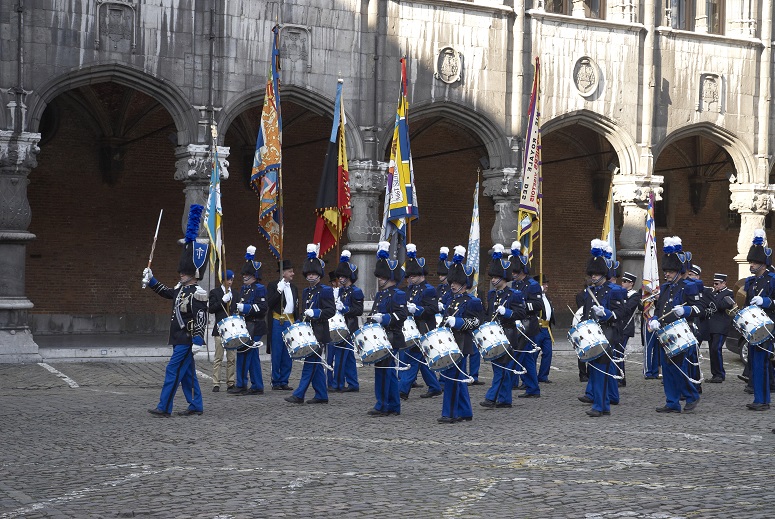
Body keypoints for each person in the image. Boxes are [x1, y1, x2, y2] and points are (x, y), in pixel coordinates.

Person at [143, 204, 208, 417]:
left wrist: (198, 341)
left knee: (173, 371)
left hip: (186, 339)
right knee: (188, 375)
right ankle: (196, 405)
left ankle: (164, 407)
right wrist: (151, 280)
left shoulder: (198, 292)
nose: (181, 274)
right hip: (178, 338)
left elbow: (200, 318)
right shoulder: (182, 289)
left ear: (193, 274)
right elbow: (167, 293)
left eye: (184, 272)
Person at [646, 236, 704, 413]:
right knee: (668, 369)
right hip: (665, 333)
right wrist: (654, 319)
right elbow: (659, 309)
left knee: (679, 368)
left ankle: (691, 396)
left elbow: (701, 308)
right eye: (666, 271)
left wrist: (685, 311)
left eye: (670, 271)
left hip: (682, 332)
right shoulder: (665, 288)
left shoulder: (690, 286)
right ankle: (672, 402)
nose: (667, 274)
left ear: (679, 271)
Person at [575, 239, 623, 417]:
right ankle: (601, 405)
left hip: (607, 333)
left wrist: (607, 313)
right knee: (594, 371)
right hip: (592, 334)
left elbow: (621, 313)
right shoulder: (590, 291)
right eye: (592, 274)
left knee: (602, 371)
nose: (593, 276)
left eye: (596, 274)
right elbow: (586, 314)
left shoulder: (614, 290)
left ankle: (601, 406)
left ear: (604, 273)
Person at [285, 245, 336, 405]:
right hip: (308, 332)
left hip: (319, 331)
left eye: (314, 273)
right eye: (309, 273)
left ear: (319, 274)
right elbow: (303, 311)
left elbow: (331, 311)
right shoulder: (307, 291)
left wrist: (317, 313)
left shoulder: (326, 290)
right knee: (315, 363)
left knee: (310, 363)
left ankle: (299, 394)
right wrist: (299, 321)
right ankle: (321, 395)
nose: (311, 276)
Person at [439, 246, 483, 423]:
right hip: (450, 342)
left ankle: (450, 413)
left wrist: (457, 322)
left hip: (462, 342)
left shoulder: (473, 301)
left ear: (464, 284)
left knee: (452, 378)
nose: (452, 284)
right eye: (452, 281)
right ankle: (465, 411)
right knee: (457, 377)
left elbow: (477, 322)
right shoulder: (450, 299)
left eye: (456, 282)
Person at [481, 244, 526, 409]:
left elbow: (521, 314)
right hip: (494, 334)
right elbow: (488, 312)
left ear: (504, 277)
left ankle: (491, 397)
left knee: (502, 368)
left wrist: (506, 312)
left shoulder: (514, 294)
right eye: (492, 277)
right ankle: (505, 399)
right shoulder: (492, 294)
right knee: (500, 369)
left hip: (507, 333)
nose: (493, 279)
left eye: (496, 277)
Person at [367, 241, 407, 417]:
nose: (379, 279)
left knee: (386, 372)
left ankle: (385, 405)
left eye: (382, 277)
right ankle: (389, 404)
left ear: (390, 277)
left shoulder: (398, 294)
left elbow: (401, 315)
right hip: (380, 337)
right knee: (383, 371)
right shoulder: (380, 294)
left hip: (392, 337)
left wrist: (384, 318)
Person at [399, 244, 443, 400]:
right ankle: (435, 387)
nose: (410, 277)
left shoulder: (429, 289)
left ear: (421, 274)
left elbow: (432, 309)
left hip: (423, 328)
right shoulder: (410, 289)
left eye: (413, 275)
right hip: (412, 328)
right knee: (423, 360)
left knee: (414, 358)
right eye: (409, 275)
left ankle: (402, 390)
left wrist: (416, 310)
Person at [742, 229, 775, 411]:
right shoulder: (751, 282)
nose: (752, 265)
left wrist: (767, 301)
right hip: (754, 328)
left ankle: (764, 400)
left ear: (763, 264)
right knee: (754, 363)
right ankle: (757, 398)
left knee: (762, 363)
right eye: (751, 262)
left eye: (755, 262)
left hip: (767, 327)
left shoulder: (772, 280)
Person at [229, 246, 268, 396]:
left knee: (245, 354)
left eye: (247, 274)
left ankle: (241, 384)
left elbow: (263, 307)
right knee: (251, 357)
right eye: (244, 274)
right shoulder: (244, 289)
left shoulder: (259, 288)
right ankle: (257, 385)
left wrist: (245, 308)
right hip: (246, 326)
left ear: (254, 275)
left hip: (255, 325)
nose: (244, 276)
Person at [509, 241, 542, 398]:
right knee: (526, 357)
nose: (513, 274)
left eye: (516, 271)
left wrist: (522, 306)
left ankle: (506, 386)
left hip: (528, 324)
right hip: (516, 324)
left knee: (518, 355)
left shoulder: (532, 285)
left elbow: (538, 304)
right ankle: (532, 387)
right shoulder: (513, 285)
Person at [332, 250, 363, 392]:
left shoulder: (356, 291)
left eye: (344, 276)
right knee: (349, 357)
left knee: (340, 357)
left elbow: (358, 310)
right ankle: (353, 383)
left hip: (349, 327)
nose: (341, 278)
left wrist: (344, 309)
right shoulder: (341, 291)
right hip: (340, 325)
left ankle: (338, 384)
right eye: (340, 276)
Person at [265, 260, 298, 391]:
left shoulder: (294, 287)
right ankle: (276, 380)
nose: (293, 274)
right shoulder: (273, 285)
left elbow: (295, 306)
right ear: (283, 273)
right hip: (278, 321)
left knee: (288, 353)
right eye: (290, 271)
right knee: (277, 352)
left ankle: (284, 380)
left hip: (290, 322)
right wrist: (279, 291)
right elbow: (270, 303)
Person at [208, 269, 236, 392]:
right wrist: (222, 301)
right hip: (219, 329)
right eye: (228, 279)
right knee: (218, 357)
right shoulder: (215, 292)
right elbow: (211, 309)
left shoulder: (235, 293)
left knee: (231, 358)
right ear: (223, 280)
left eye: (231, 280)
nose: (230, 282)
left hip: (232, 330)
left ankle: (231, 382)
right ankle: (216, 382)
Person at [704, 273, 734, 383]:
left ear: (724, 283)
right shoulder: (713, 293)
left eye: (717, 284)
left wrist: (710, 297)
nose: (715, 286)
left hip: (721, 327)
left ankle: (720, 374)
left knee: (716, 349)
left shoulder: (729, 293)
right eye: (714, 283)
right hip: (711, 327)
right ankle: (715, 374)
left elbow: (721, 306)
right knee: (712, 350)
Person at [617, 271, 641, 388]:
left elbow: (627, 308)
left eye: (625, 281)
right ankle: (617, 376)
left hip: (625, 327)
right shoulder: (621, 293)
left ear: (631, 283)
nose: (622, 283)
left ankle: (621, 378)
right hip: (618, 326)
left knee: (619, 353)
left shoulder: (634, 295)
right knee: (615, 353)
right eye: (622, 281)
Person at [533, 274, 555, 383]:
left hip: (547, 328)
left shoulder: (547, 298)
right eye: (543, 284)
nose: (546, 286)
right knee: (533, 354)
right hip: (537, 328)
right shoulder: (535, 297)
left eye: (546, 284)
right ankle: (531, 376)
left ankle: (543, 375)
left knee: (548, 353)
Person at [326, 270, 340, 389]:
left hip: (341, 327)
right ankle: (329, 381)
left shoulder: (344, 293)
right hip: (330, 326)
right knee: (329, 357)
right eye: (334, 282)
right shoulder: (329, 292)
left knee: (340, 358)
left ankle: (338, 381)